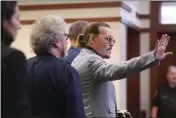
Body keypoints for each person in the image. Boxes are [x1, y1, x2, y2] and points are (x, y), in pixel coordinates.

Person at [71, 22, 173, 117]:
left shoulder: (82, 58)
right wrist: (153, 56)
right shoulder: (90, 60)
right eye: (108, 39)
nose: (111, 44)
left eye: (113, 40)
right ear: (92, 39)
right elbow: (121, 69)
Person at [27, 15, 86, 118]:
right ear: (57, 42)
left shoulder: (20, 67)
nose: (67, 41)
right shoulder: (67, 72)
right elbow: (76, 114)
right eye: (65, 37)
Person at [1, 1, 30, 118]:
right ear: (4, 20)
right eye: (17, 18)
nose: (19, 25)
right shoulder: (13, 58)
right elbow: (18, 109)